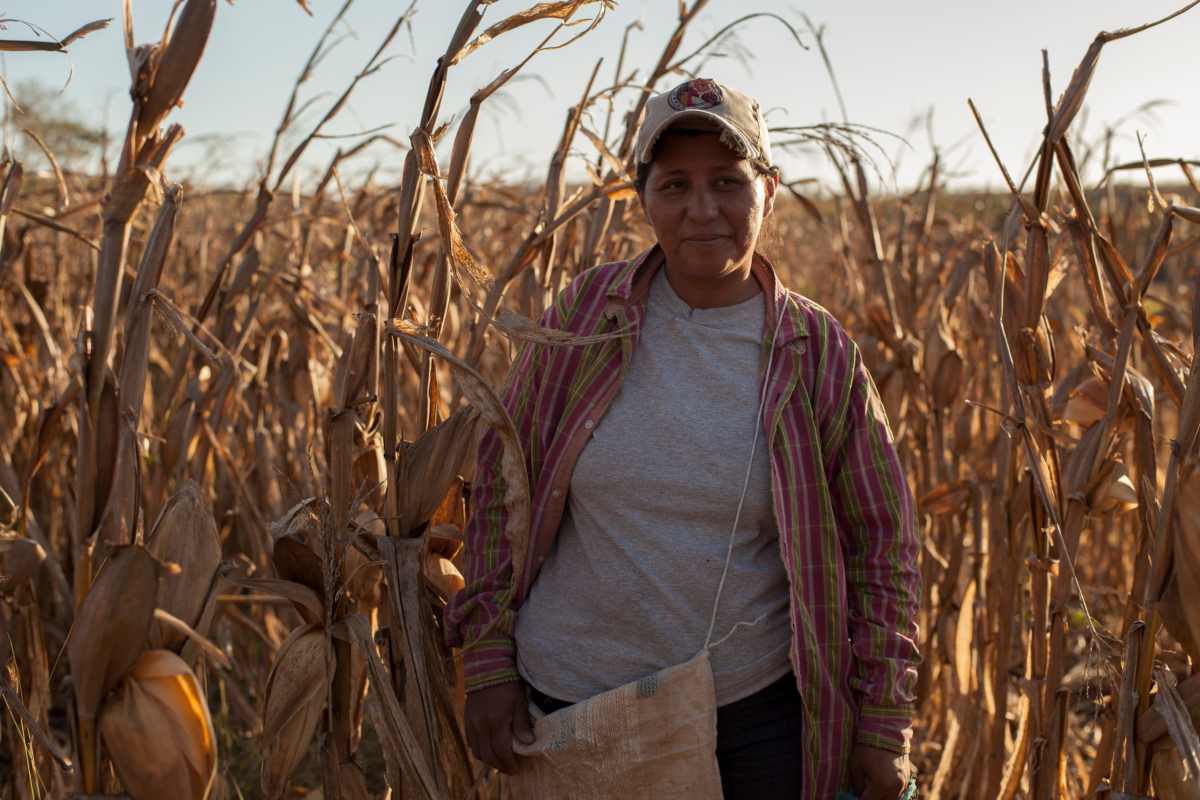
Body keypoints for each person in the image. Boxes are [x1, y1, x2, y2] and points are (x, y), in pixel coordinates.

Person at [445, 77, 921, 799]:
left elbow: (881, 545)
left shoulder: (816, 352)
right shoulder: (583, 316)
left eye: (728, 183)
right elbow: (499, 484)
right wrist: (486, 663)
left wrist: (883, 722)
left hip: (752, 720)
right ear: (644, 200)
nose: (704, 211)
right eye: (676, 185)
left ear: (768, 189)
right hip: (571, 704)